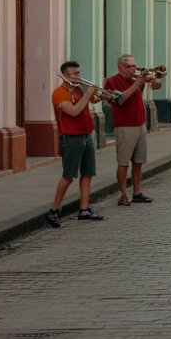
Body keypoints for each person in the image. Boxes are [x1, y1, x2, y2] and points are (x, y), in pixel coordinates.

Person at [46, 61, 104, 227]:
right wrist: (87, 94)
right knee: (69, 175)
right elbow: (73, 111)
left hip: (86, 135)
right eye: (75, 74)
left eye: (79, 73)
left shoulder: (79, 89)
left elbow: (94, 100)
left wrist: (96, 94)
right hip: (71, 138)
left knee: (88, 173)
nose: (79, 77)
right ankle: (54, 210)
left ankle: (84, 210)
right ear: (65, 76)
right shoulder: (59, 93)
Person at [104, 54, 161, 206]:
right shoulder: (112, 81)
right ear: (120, 67)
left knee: (138, 161)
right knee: (123, 162)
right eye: (130, 66)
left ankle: (137, 192)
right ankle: (123, 194)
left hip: (140, 124)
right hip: (125, 126)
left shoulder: (134, 79)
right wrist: (139, 82)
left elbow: (155, 86)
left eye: (135, 65)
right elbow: (121, 99)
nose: (134, 69)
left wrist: (153, 81)